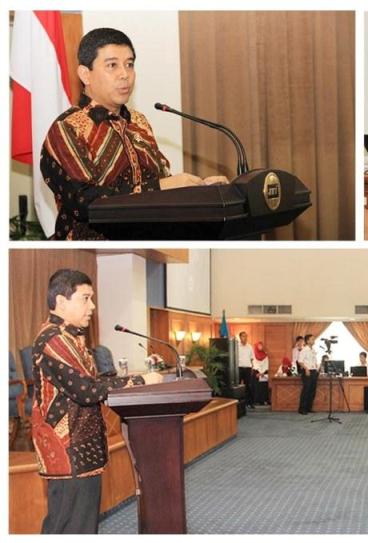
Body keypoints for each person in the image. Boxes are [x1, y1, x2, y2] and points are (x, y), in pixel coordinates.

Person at [39, 27, 227, 240]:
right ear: (85, 74)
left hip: (152, 238)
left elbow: (161, 185)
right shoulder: (67, 128)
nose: (124, 74)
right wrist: (161, 186)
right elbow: (86, 202)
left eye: (129, 64)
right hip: (93, 245)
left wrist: (200, 190)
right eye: (112, 65)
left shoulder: (139, 122)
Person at [31, 269, 162, 533]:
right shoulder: (53, 339)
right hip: (67, 452)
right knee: (68, 526)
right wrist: (141, 382)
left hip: (81, 447)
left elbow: (92, 382)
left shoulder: (71, 337)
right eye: (85, 298)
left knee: (82, 525)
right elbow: (86, 390)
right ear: (61, 301)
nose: (92, 306)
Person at [297, 334, 319, 414]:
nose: (314, 340)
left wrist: (317, 368)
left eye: (314, 339)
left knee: (312, 391)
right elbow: (300, 361)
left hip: (313, 371)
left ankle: (309, 408)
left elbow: (314, 361)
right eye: (312, 339)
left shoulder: (313, 350)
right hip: (307, 371)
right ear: (307, 341)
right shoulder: (304, 350)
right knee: (306, 390)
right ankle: (302, 409)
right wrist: (306, 369)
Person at [236, 331, 256, 410]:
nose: (245, 338)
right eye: (243, 336)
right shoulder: (237, 346)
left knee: (249, 386)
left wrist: (252, 367)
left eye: (246, 336)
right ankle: (237, 402)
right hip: (239, 368)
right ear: (240, 337)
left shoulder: (250, 347)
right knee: (237, 386)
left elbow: (252, 358)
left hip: (248, 368)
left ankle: (250, 403)